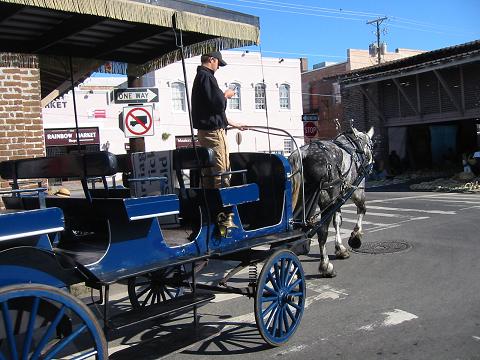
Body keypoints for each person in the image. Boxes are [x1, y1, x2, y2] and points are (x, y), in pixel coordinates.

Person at [191, 51, 245, 189]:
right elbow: (218, 104)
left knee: (208, 173)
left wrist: (235, 124)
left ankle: (211, 206)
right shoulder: (207, 77)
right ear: (211, 60)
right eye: (218, 63)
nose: (218, 67)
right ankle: (223, 208)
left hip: (204, 133)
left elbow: (211, 110)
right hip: (214, 134)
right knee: (222, 173)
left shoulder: (200, 77)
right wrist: (226, 94)